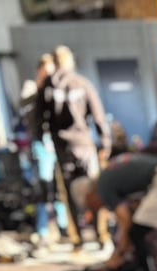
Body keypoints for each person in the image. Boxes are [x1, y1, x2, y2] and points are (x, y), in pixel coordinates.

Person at [39, 46, 111, 247]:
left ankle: (77, 239)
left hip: (62, 147)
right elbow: (98, 115)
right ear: (70, 61)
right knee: (95, 189)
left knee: (68, 194)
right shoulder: (82, 83)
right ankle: (101, 236)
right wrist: (105, 142)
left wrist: (41, 140)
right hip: (84, 145)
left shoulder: (47, 87)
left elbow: (38, 118)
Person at [20, 55, 68, 245]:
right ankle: (42, 228)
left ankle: (64, 227)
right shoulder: (32, 88)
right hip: (41, 143)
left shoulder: (58, 87)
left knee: (60, 187)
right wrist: (41, 90)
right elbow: (23, 106)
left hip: (57, 141)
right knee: (44, 186)